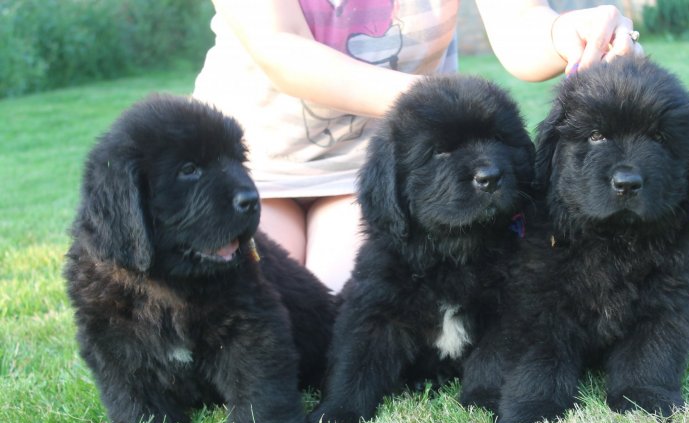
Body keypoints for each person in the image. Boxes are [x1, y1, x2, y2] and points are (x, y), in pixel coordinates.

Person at [193, 0, 642, 293]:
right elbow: (282, 48)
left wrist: (568, 33)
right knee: (258, 300)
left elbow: (522, 26)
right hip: (252, 167)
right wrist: (437, 108)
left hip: (388, 170)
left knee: (334, 307)